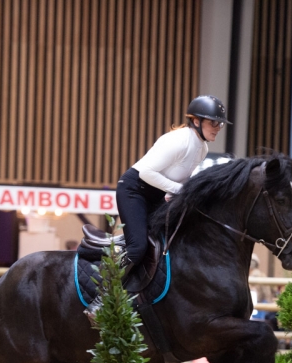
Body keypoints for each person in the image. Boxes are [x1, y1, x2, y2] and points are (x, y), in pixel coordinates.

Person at [86, 95, 231, 320]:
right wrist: (177, 190)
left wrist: (178, 193)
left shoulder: (201, 148)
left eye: (220, 124)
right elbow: (146, 173)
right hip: (133, 190)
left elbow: (178, 180)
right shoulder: (179, 140)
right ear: (196, 121)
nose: (218, 128)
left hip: (154, 194)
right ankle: (101, 297)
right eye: (214, 122)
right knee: (138, 247)